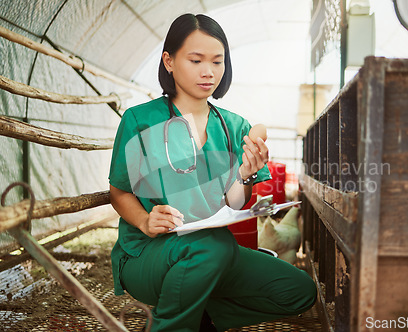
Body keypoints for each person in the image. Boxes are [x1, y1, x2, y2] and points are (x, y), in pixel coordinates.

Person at [108, 13, 317, 332]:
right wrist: (144, 221)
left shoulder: (235, 127)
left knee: (299, 292)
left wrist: (245, 175)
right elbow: (120, 191)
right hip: (149, 254)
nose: (208, 71)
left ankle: (198, 311)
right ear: (169, 61)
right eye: (195, 60)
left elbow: (234, 204)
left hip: (212, 254)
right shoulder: (141, 121)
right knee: (213, 244)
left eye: (217, 61)